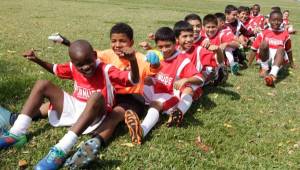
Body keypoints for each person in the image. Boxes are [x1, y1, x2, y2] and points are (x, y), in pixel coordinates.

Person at [0, 40, 140, 170]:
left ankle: (61, 149)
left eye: (89, 62)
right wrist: (37, 59)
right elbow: (55, 69)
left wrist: (132, 60)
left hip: (97, 114)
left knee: (96, 96)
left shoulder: (106, 69)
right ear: (73, 63)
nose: (85, 67)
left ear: (95, 55)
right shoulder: (72, 67)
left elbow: (133, 80)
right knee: (42, 84)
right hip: (76, 109)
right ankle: (17, 132)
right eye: (80, 65)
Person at [63, 23, 161, 169]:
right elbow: (87, 54)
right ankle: (22, 116)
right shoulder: (107, 54)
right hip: (113, 96)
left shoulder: (140, 58)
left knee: (114, 116)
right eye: (114, 41)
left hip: (133, 97)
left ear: (131, 43)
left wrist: (155, 62)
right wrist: (66, 42)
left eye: (122, 41)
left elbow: (153, 70)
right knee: (104, 110)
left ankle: (93, 144)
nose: (117, 45)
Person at [124, 27, 204, 145]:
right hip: (155, 88)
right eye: (161, 47)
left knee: (156, 104)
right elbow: (149, 74)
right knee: (131, 86)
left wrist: (185, 79)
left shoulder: (182, 60)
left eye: (168, 46)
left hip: (170, 94)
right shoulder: (156, 56)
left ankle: (142, 131)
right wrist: (145, 77)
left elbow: (200, 79)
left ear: (175, 43)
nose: (164, 50)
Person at [249, 10, 293, 86]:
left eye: (279, 20)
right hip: (265, 58)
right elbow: (254, 48)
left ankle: (272, 75)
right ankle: (264, 69)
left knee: (281, 49)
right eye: (273, 20)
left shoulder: (285, 34)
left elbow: (288, 50)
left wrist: (291, 63)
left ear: (282, 21)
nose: (276, 22)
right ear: (269, 20)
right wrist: (249, 63)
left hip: (278, 60)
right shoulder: (264, 33)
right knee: (264, 43)